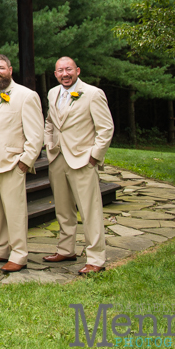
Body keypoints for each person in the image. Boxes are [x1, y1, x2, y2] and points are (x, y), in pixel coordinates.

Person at [43, 56, 115, 275]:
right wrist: (49, 145)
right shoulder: (52, 93)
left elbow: (106, 128)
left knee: (89, 210)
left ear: (78, 71)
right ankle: (66, 249)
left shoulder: (93, 94)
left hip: (83, 159)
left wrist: (94, 156)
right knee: (63, 209)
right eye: (60, 71)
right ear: (55, 74)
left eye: (69, 69)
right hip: (58, 158)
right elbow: (49, 122)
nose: (65, 74)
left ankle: (96, 258)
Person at [0, 54, 43, 273]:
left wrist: (25, 161)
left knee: (15, 211)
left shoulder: (26, 95)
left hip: (12, 162)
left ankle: (19, 254)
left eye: (1, 68)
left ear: (10, 70)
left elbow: (36, 133)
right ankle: (2, 248)